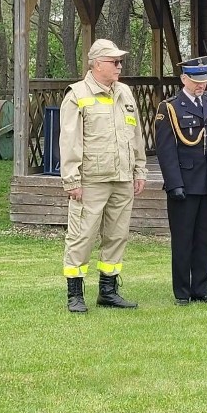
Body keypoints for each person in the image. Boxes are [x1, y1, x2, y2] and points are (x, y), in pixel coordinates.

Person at [59, 39, 147, 313]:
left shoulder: (125, 93)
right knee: (82, 235)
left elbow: (136, 135)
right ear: (97, 64)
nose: (119, 66)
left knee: (117, 235)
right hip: (91, 179)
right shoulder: (77, 94)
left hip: (122, 177)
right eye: (114, 62)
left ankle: (108, 291)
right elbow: (70, 141)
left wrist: (139, 168)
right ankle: (75, 293)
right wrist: (72, 180)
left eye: (120, 61)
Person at [154, 56, 207, 306]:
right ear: (184, 79)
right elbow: (166, 151)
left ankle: (202, 288)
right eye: (196, 81)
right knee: (183, 238)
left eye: (205, 80)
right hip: (185, 183)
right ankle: (182, 291)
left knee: (204, 239)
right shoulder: (170, 108)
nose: (201, 85)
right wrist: (174, 182)